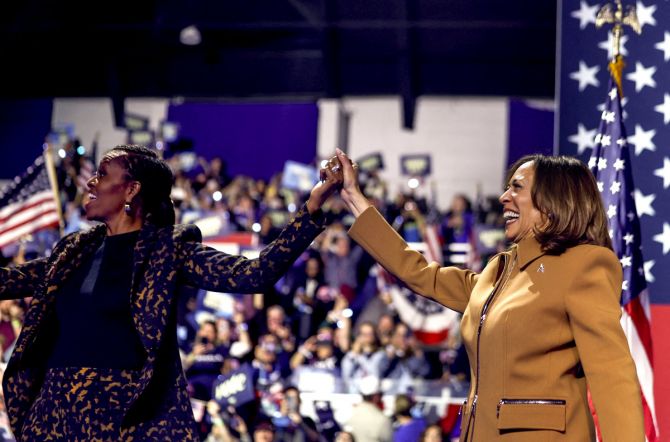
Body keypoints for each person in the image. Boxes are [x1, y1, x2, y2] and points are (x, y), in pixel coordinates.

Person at [0, 145, 343, 441]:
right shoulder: (73, 250)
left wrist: (311, 209)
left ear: (131, 190)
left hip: (121, 420)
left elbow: (254, 274)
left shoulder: (168, 250)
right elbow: (7, 280)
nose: (90, 182)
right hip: (53, 416)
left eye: (103, 175)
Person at [333, 149, 644, 441]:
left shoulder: (583, 264)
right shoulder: (499, 271)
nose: (504, 197)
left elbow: (611, 375)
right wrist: (353, 197)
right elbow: (421, 275)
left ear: (551, 201)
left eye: (517, 188)